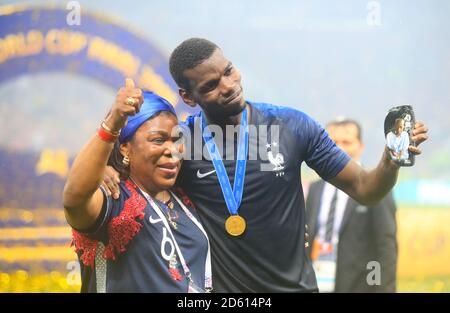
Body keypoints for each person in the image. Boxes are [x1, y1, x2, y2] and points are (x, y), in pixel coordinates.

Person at [104, 38, 428, 292]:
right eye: (211, 86)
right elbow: (128, 166)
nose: (228, 85)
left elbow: (366, 188)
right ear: (188, 97)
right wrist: (108, 168)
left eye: (228, 71)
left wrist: (391, 158)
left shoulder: (292, 126)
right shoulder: (182, 145)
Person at [63, 79, 212, 293]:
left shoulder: (184, 199)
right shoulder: (114, 198)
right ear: (125, 148)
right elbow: (74, 198)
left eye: (176, 139)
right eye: (158, 140)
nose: (172, 150)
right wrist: (113, 122)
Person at [306, 118, 397, 292]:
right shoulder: (315, 188)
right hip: (317, 281)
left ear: (360, 146)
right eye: (332, 142)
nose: (339, 147)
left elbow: (386, 245)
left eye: (347, 142)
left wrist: (384, 288)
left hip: (358, 285)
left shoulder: (375, 185)